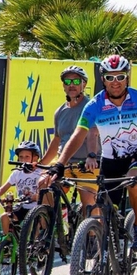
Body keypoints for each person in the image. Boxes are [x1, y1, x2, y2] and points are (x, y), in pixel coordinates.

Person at [43, 55, 137, 250]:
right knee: (104, 208)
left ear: (127, 77)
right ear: (103, 79)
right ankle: (105, 252)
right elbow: (78, 135)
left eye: (120, 77)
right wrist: (60, 163)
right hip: (109, 161)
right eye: (110, 77)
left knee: (134, 182)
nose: (115, 83)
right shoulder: (94, 106)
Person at [38, 65, 100, 213]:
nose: (71, 85)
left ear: (84, 84)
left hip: (86, 164)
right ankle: (53, 229)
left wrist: (91, 156)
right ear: (63, 85)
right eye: (67, 81)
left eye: (76, 81)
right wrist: (41, 164)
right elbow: (57, 140)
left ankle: (92, 234)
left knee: (88, 201)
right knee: (44, 185)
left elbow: (93, 133)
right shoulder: (59, 112)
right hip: (65, 164)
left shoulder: (91, 107)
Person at [0, 141, 43, 234]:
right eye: (21, 157)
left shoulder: (41, 172)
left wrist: (35, 197)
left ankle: (36, 246)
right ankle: (8, 241)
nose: (23, 160)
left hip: (36, 207)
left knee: (35, 225)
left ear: (35, 158)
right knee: (5, 216)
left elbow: (46, 193)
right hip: (22, 206)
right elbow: (4, 187)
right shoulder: (17, 173)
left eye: (27, 157)